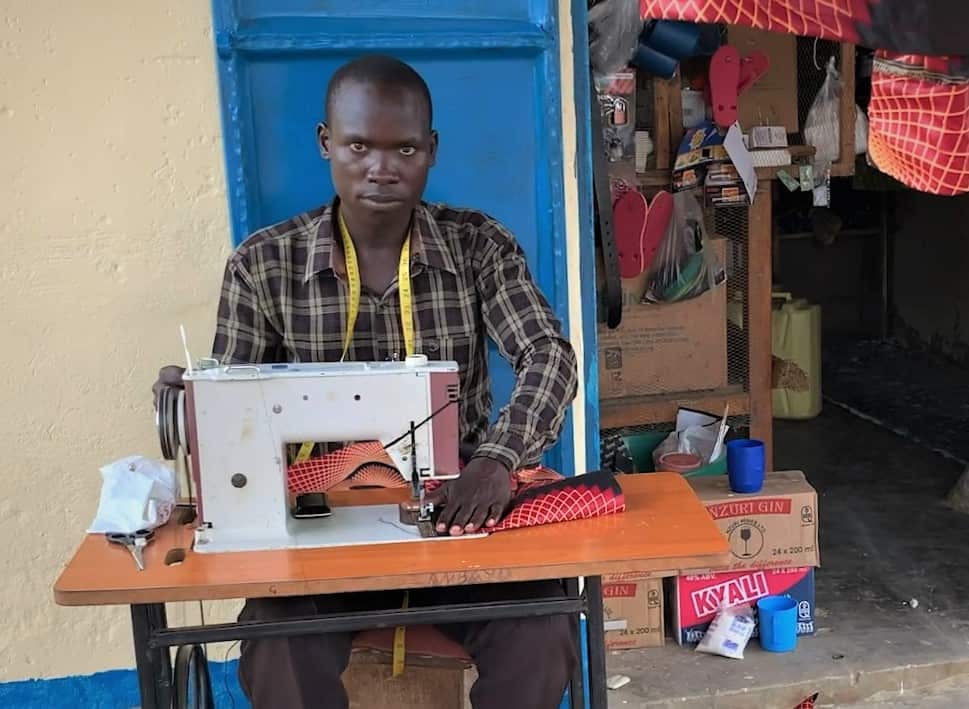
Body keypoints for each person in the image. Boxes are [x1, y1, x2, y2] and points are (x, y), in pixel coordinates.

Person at [153, 54, 579, 709]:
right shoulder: (263, 266)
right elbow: (230, 408)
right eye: (358, 145)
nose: (380, 167)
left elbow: (548, 355)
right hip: (315, 522)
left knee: (540, 631)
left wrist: (496, 460)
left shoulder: (478, 247)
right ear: (326, 143)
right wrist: (191, 402)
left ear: (430, 150)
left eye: (403, 147)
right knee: (278, 648)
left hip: (454, 510)